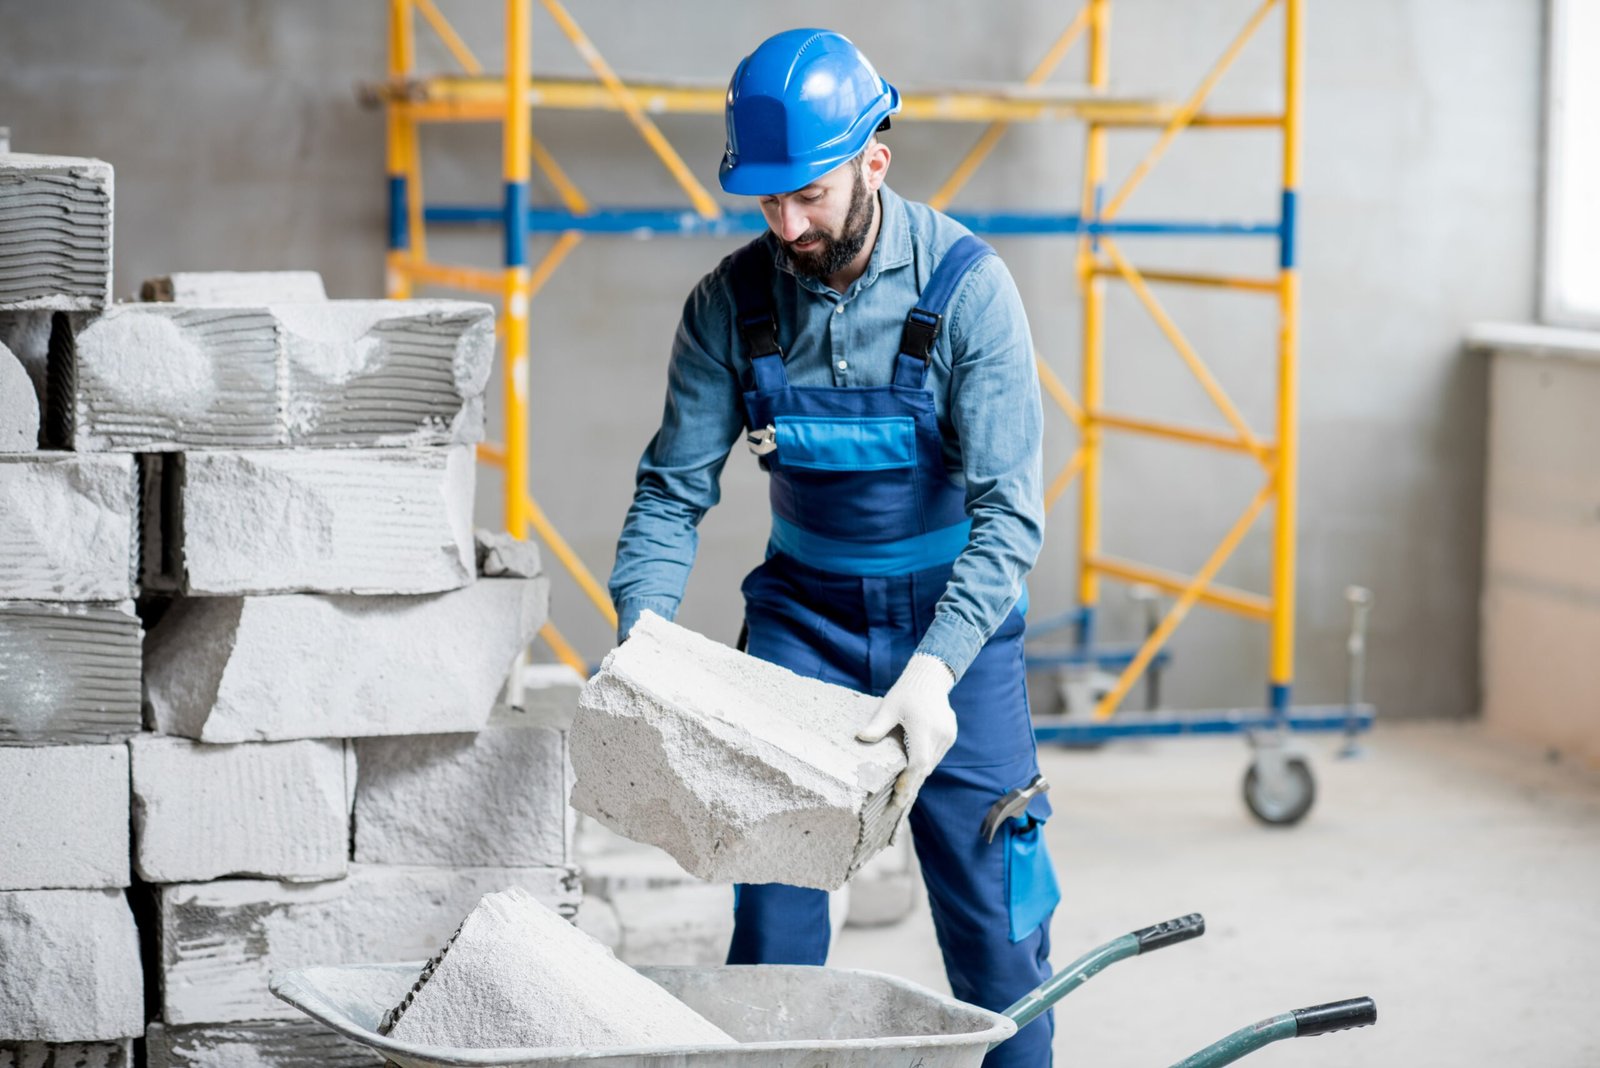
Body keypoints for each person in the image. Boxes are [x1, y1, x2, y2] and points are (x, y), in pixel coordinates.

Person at [608, 28, 1059, 1067]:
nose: (787, 223)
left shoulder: (969, 293)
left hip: (956, 635)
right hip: (801, 626)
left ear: (873, 161)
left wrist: (936, 673)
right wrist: (642, 636)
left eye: (807, 194)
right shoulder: (731, 303)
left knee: (1000, 937)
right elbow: (672, 493)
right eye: (766, 200)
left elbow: (1010, 521)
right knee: (772, 938)